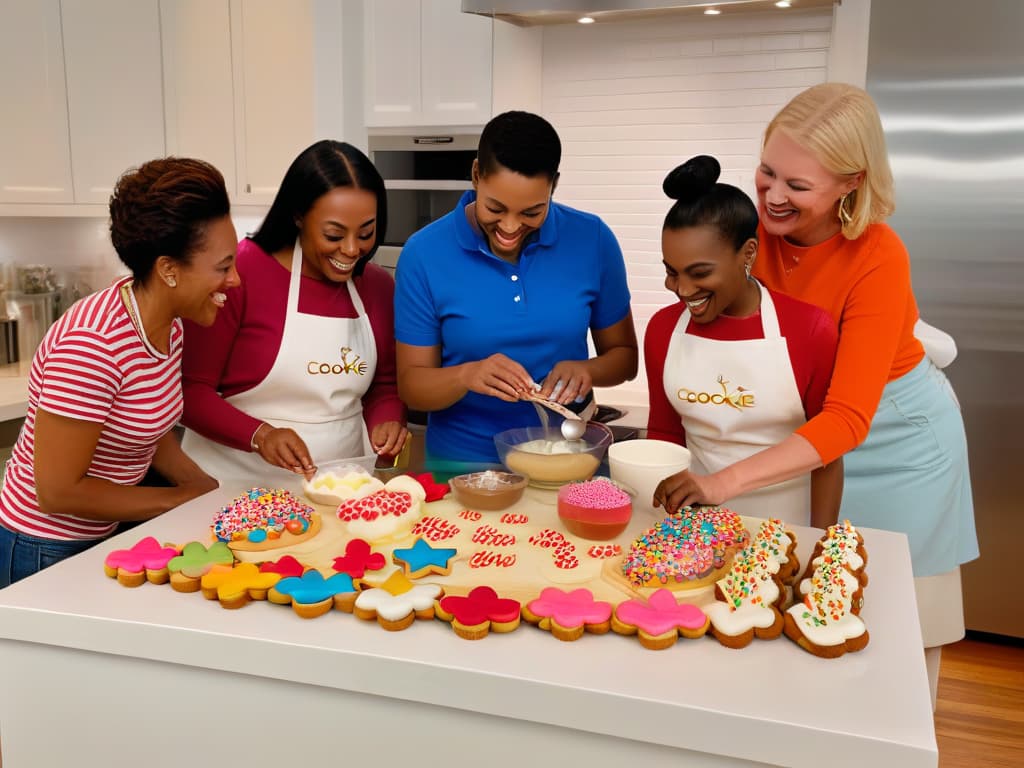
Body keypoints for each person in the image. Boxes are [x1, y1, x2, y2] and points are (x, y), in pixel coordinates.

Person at [655, 84, 978, 702]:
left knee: (897, 627)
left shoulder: (879, 256)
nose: (773, 195)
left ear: (850, 183)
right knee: (790, 611)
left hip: (893, 437)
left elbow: (847, 420)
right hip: (802, 447)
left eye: (797, 187)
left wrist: (719, 484)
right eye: (767, 172)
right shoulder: (754, 235)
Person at [0, 158, 234, 588]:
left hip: (104, 531)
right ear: (168, 270)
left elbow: (144, 427)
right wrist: (179, 500)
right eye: (222, 267)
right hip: (42, 546)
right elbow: (57, 492)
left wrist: (210, 489)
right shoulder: (93, 345)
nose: (234, 280)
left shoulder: (169, 325)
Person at [394, 111, 638, 472]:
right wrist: (467, 375)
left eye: (532, 212)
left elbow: (624, 357)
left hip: (568, 461)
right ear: (476, 174)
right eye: (495, 208)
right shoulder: (424, 253)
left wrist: (587, 370)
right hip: (464, 468)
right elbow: (412, 385)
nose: (509, 227)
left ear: (553, 184)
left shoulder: (593, 240)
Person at [180, 140, 408, 483]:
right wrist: (260, 435)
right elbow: (190, 390)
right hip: (232, 484)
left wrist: (387, 422)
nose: (351, 250)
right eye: (333, 234)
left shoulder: (376, 286)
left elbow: (384, 385)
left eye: (365, 233)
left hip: (338, 485)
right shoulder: (238, 272)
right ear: (298, 215)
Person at [646, 155, 841, 527]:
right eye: (672, 273)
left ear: (748, 253)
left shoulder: (809, 329)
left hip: (787, 530)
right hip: (696, 529)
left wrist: (821, 542)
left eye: (700, 272)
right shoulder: (662, 330)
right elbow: (666, 434)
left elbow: (827, 454)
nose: (683, 289)